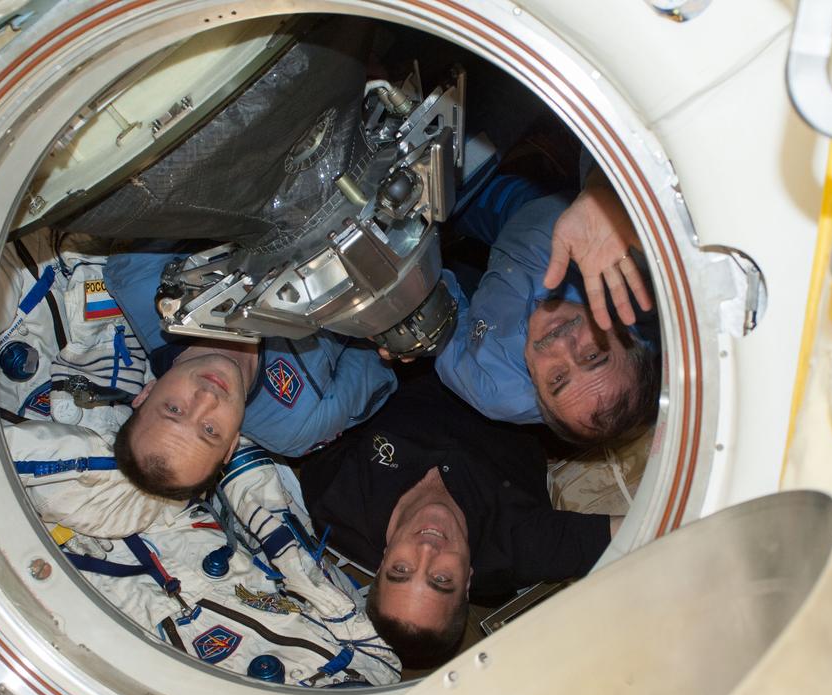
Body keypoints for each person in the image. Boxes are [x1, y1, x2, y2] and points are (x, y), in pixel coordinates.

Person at [299, 372, 621, 668]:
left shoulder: (333, 496)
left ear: (382, 563)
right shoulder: (516, 550)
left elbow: (330, 395)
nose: (426, 549)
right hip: (518, 372)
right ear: (467, 581)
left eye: (401, 570)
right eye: (441, 579)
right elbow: (634, 535)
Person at [103, 251, 398, 500]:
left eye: (174, 409)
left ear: (145, 393)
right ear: (232, 445)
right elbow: (381, 349)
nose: (207, 398)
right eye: (210, 430)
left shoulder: (142, 281)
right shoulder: (296, 426)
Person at [433, 174, 661, 446]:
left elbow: (439, 326)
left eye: (557, 378)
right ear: (629, 335)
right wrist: (605, 192)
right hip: (534, 206)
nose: (563, 345)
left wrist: (408, 317)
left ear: (537, 394)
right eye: (592, 355)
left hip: (479, 276)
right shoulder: (642, 276)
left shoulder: (493, 388)